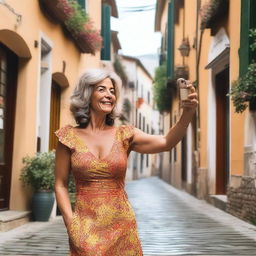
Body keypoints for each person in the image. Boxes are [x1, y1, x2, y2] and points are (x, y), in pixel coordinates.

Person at [54, 68, 198, 256]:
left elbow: (166, 142)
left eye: (112, 91)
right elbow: (60, 184)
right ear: (87, 94)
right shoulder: (68, 137)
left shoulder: (125, 135)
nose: (109, 95)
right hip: (84, 226)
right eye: (102, 89)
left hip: (121, 227)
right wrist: (70, 223)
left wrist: (187, 112)